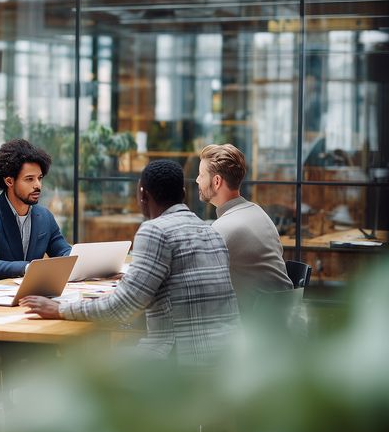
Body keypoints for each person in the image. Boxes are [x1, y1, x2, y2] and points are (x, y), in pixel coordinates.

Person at [20, 160, 241, 366]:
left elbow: (121, 308)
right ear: (183, 193)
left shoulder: (155, 230)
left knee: (85, 369)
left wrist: (59, 309)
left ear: (142, 195)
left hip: (178, 358)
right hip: (225, 356)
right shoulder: (209, 231)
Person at [196, 144, 293, 311]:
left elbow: (196, 278)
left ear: (217, 181)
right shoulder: (256, 211)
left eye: (201, 175)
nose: (197, 179)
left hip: (258, 328)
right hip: (282, 317)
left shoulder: (225, 227)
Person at [0, 139, 71, 285]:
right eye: (29, 179)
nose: (38, 185)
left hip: (28, 294)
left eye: (39, 178)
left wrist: (85, 261)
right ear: (9, 181)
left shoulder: (44, 216)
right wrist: (29, 268)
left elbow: (64, 252)